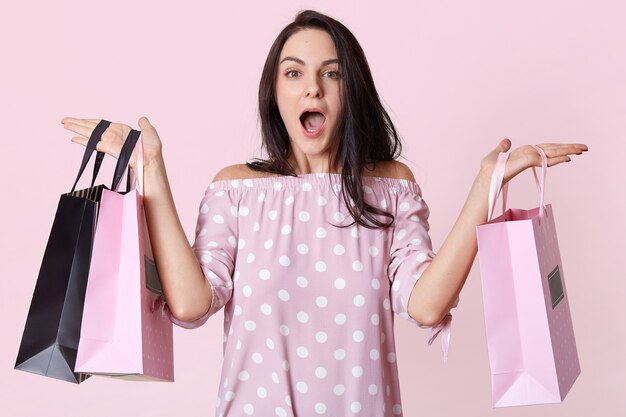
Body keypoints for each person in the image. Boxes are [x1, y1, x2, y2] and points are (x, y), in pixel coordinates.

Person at [61, 9, 587, 417]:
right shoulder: (237, 190)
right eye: (295, 73)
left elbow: (425, 306)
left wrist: (484, 187)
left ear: (349, 91)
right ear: (276, 93)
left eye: (330, 74)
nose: (312, 86)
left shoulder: (390, 189)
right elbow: (193, 304)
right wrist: (154, 167)